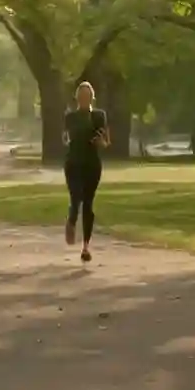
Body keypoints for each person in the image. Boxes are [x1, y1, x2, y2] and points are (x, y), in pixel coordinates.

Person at [62, 81, 109, 263]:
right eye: (80, 96)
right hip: (73, 163)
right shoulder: (70, 117)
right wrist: (66, 139)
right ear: (76, 98)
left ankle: (86, 247)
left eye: (87, 96)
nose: (83, 99)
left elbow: (105, 140)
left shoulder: (99, 116)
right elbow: (65, 137)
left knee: (88, 203)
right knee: (76, 198)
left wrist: (101, 143)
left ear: (91, 98)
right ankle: (71, 221)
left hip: (92, 164)